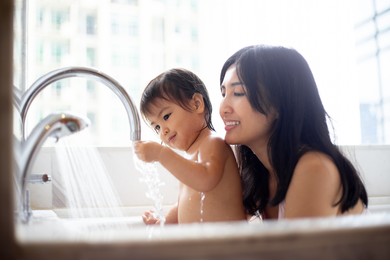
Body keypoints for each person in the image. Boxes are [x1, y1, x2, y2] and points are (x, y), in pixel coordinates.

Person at [219, 45, 368, 220]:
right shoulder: (258, 176)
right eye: (223, 93)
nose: (223, 109)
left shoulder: (315, 168)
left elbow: (296, 248)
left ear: (280, 103)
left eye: (238, 93)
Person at [134, 68, 246, 224]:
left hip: (229, 245)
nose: (163, 131)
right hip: (206, 246)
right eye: (157, 127)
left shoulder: (213, 142)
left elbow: (206, 179)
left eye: (166, 116)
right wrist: (164, 221)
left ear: (196, 104)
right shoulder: (189, 157)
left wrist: (161, 154)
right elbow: (185, 203)